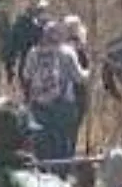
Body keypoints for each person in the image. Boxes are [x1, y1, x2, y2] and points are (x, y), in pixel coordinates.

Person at [21, 21, 88, 176]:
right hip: (64, 105)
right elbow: (79, 78)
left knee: (42, 143)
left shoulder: (33, 53)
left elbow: (26, 76)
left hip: (39, 106)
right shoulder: (67, 52)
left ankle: (42, 174)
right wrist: (90, 71)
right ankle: (61, 176)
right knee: (64, 144)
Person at [5, 0, 50, 93]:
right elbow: (12, 42)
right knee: (27, 90)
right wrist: (10, 64)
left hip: (45, 61)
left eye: (35, 2)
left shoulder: (47, 21)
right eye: (31, 2)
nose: (33, 5)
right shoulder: (21, 21)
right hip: (26, 59)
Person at [61, 15, 91, 153]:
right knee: (71, 131)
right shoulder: (74, 49)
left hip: (64, 95)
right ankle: (68, 156)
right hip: (74, 94)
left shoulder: (59, 47)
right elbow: (81, 75)